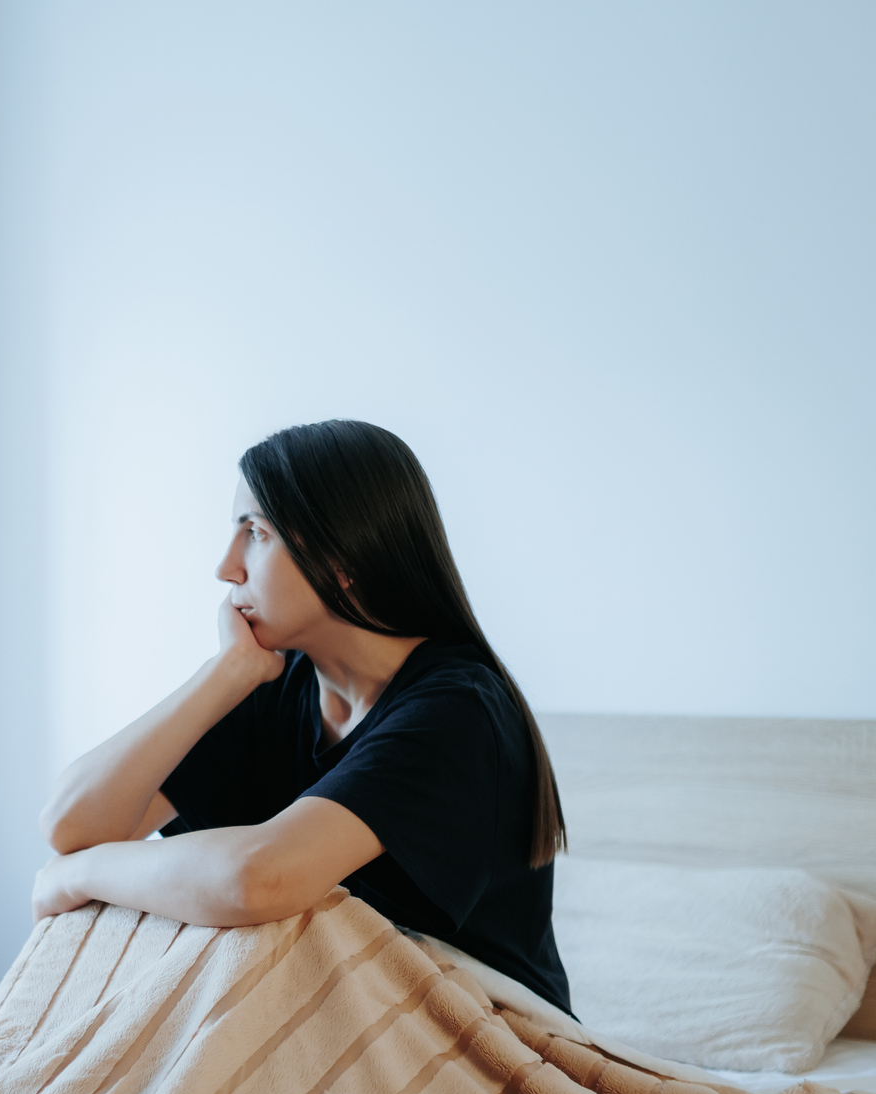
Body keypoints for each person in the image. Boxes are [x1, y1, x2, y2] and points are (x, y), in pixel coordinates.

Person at [34, 419, 573, 1016]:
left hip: (480, 1039)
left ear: (343, 559)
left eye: (256, 533)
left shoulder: (458, 712)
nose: (226, 567)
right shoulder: (273, 679)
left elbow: (257, 879)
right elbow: (71, 826)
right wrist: (224, 675)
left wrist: (79, 878)